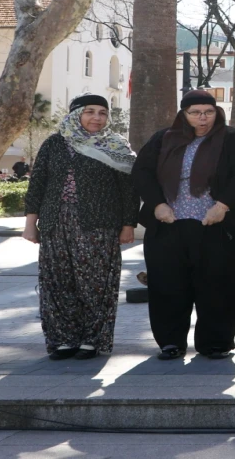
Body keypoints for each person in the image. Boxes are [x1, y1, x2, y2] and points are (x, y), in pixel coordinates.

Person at [132, 90, 235, 360]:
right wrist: (157, 205)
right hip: (169, 224)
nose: (203, 118)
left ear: (217, 112)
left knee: (218, 285)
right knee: (168, 285)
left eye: (209, 112)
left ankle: (216, 342)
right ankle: (170, 342)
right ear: (184, 114)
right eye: (195, 113)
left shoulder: (231, 138)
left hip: (216, 224)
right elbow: (141, 172)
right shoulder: (164, 139)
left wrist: (222, 205)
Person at [23, 95, 137, 360]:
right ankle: (63, 339)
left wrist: (128, 224)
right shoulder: (54, 144)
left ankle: (91, 340)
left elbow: (128, 191)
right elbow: (37, 184)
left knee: (95, 283)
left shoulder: (116, 146)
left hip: (99, 224)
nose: (97, 118)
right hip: (54, 224)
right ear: (75, 115)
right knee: (57, 282)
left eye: (102, 113)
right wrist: (31, 224)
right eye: (90, 112)